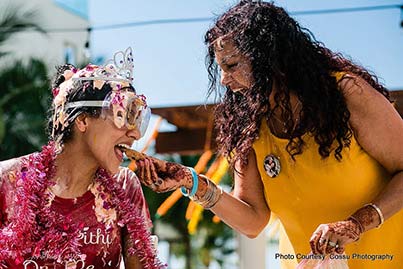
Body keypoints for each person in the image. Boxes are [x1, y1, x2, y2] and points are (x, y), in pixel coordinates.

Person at [133, 1, 403, 268]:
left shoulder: (346, 94)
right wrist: (192, 183)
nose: (224, 80)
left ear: (270, 58)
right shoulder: (249, 126)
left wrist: (358, 223)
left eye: (232, 65)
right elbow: (252, 220)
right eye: (221, 69)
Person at [0, 48, 165, 269]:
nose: (134, 133)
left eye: (138, 120)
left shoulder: (125, 186)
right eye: (122, 116)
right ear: (83, 121)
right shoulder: (8, 180)